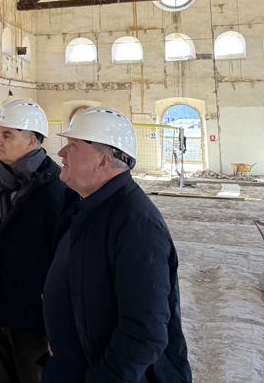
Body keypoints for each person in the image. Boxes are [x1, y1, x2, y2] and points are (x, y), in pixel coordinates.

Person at [44, 107, 192, 382]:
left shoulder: (137, 224)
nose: (61, 153)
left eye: (73, 146)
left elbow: (144, 332)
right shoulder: (85, 206)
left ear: (102, 161)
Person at [0, 99, 76, 383]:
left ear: (31, 141)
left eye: (6, 135)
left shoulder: (59, 188)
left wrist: (60, 327)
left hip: (34, 321)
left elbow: (67, 265)